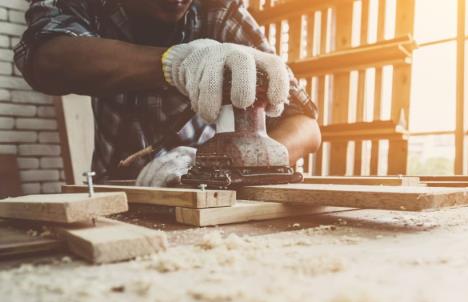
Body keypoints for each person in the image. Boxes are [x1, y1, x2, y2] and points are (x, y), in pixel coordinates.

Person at [14, 0, 320, 186]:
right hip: (117, 195)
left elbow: (306, 126)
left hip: (208, 195)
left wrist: (231, 168)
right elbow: (46, 58)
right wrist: (173, 63)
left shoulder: (220, 10)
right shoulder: (90, 6)